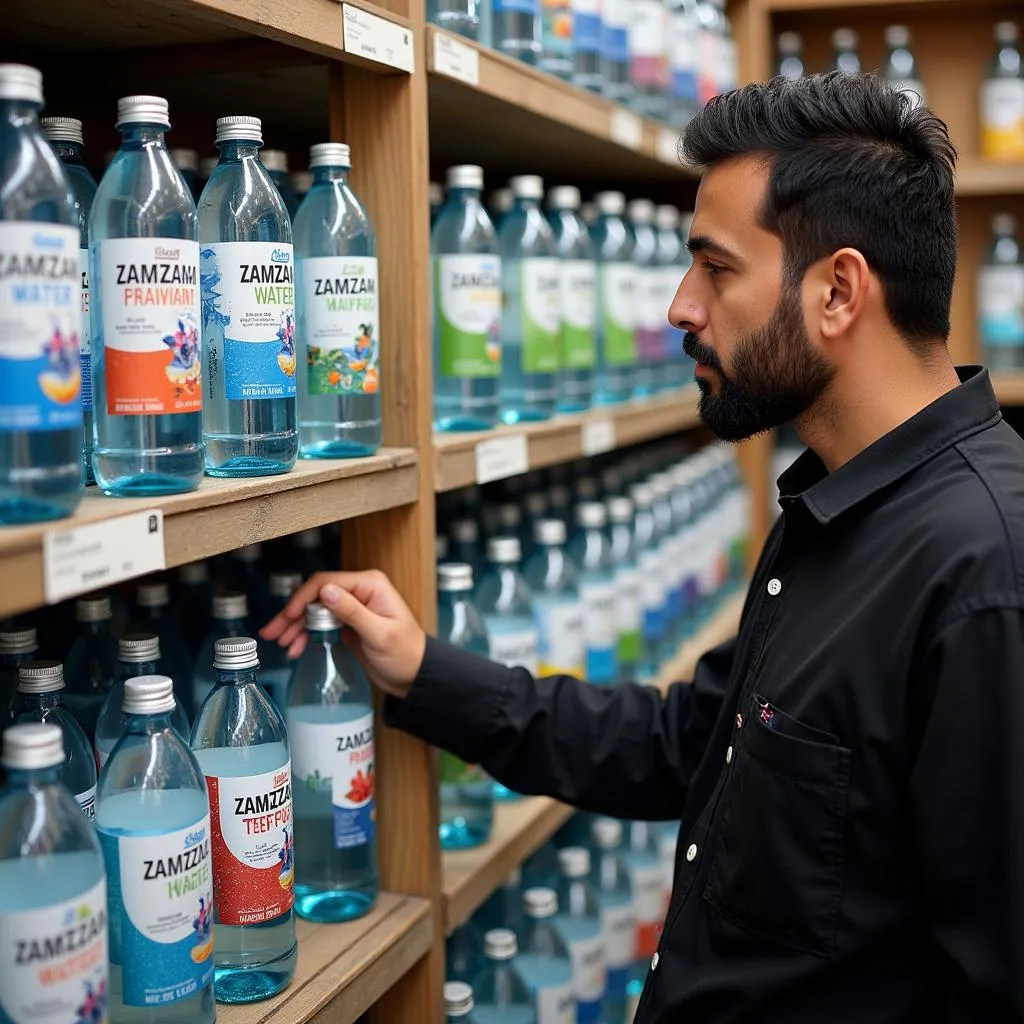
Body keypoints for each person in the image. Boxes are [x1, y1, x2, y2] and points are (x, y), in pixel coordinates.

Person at [264, 72, 1024, 1021]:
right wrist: (424, 670)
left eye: (715, 267)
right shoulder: (832, 510)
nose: (680, 306)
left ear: (838, 290)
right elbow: (693, 747)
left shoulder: (986, 572)